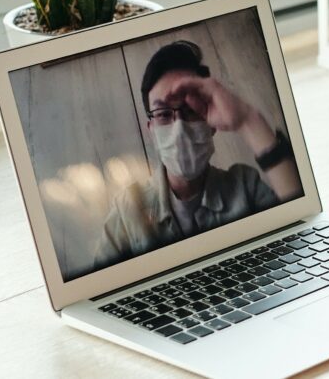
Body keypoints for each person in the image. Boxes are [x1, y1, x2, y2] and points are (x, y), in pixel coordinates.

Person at [95, 40, 304, 267]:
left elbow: (302, 229)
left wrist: (247, 120)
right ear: (151, 130)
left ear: (211, 122)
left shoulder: (245, 185)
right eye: (164, 113)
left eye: (191, 110)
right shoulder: (129, 209)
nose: (179, 128)